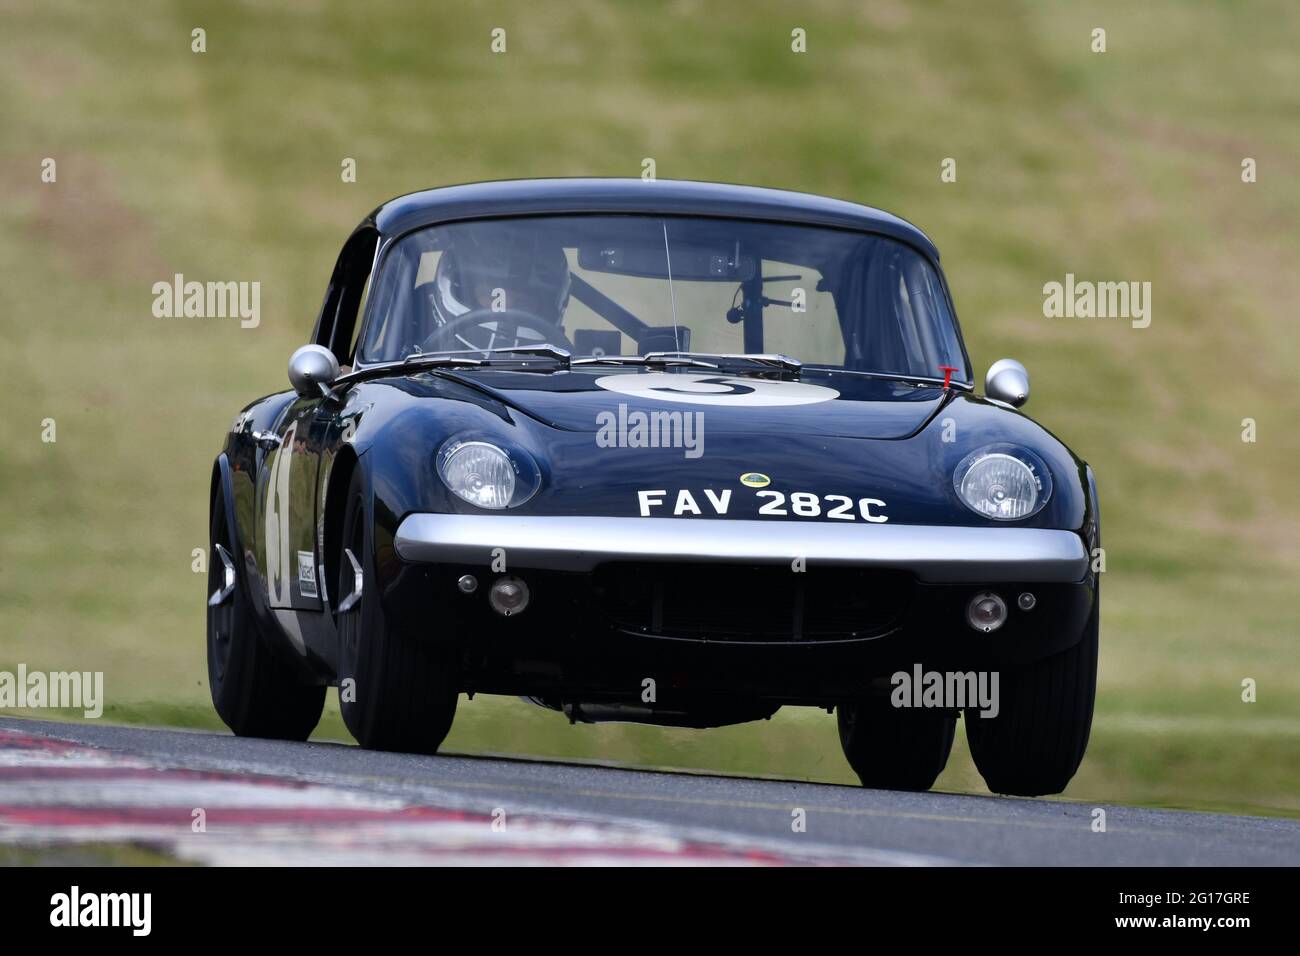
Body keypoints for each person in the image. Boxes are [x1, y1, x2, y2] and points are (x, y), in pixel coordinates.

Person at [425, 226, 572, 351]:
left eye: (522, 303)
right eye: (494, 296)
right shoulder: (405, 356)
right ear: (458, 288)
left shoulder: (565, 378)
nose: (504, 311)